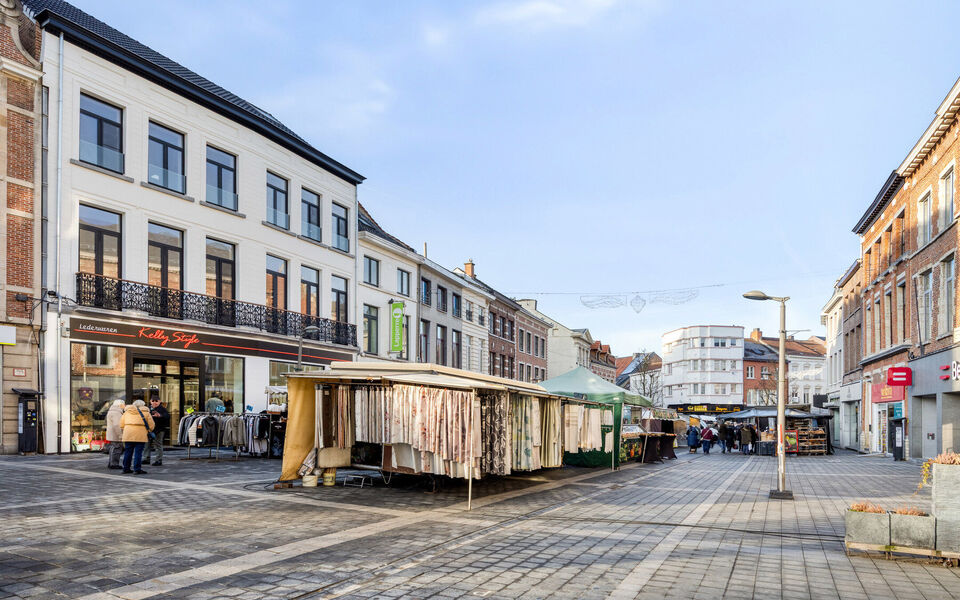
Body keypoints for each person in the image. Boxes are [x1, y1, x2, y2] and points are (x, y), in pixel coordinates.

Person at [120, 399, 155, 474]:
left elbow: (121, 424)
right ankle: (137, 469)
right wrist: (147, 430)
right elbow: (151, 425)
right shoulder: (146, 413)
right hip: (140, 434)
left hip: (128, 434)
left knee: (128, 452)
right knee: (138, 452)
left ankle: (126, 468)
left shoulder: (126, 412)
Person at [143, 394, 169, 466]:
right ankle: (146, 458)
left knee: (158, 445)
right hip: (149, 430)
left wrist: (160, 415)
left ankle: (158, 460)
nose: (154, 402)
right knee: (146, 445)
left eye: (156, 401)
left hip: (159, 430)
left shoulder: (162, 409)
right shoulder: (147, 409)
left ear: (160, 401)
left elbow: (167, 417)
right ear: (150, 401)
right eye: (153, 401)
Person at [104, 399, 125, 469]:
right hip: (115, 434)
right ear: (119, 405)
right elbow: (117, 425)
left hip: (112, 434)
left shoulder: (112, 411)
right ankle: (114, 464)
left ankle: (111, 463)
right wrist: (120, 435)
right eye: (123, 404)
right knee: (117, 449)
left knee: (113, 448)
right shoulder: (116, 412)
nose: (124, 406)